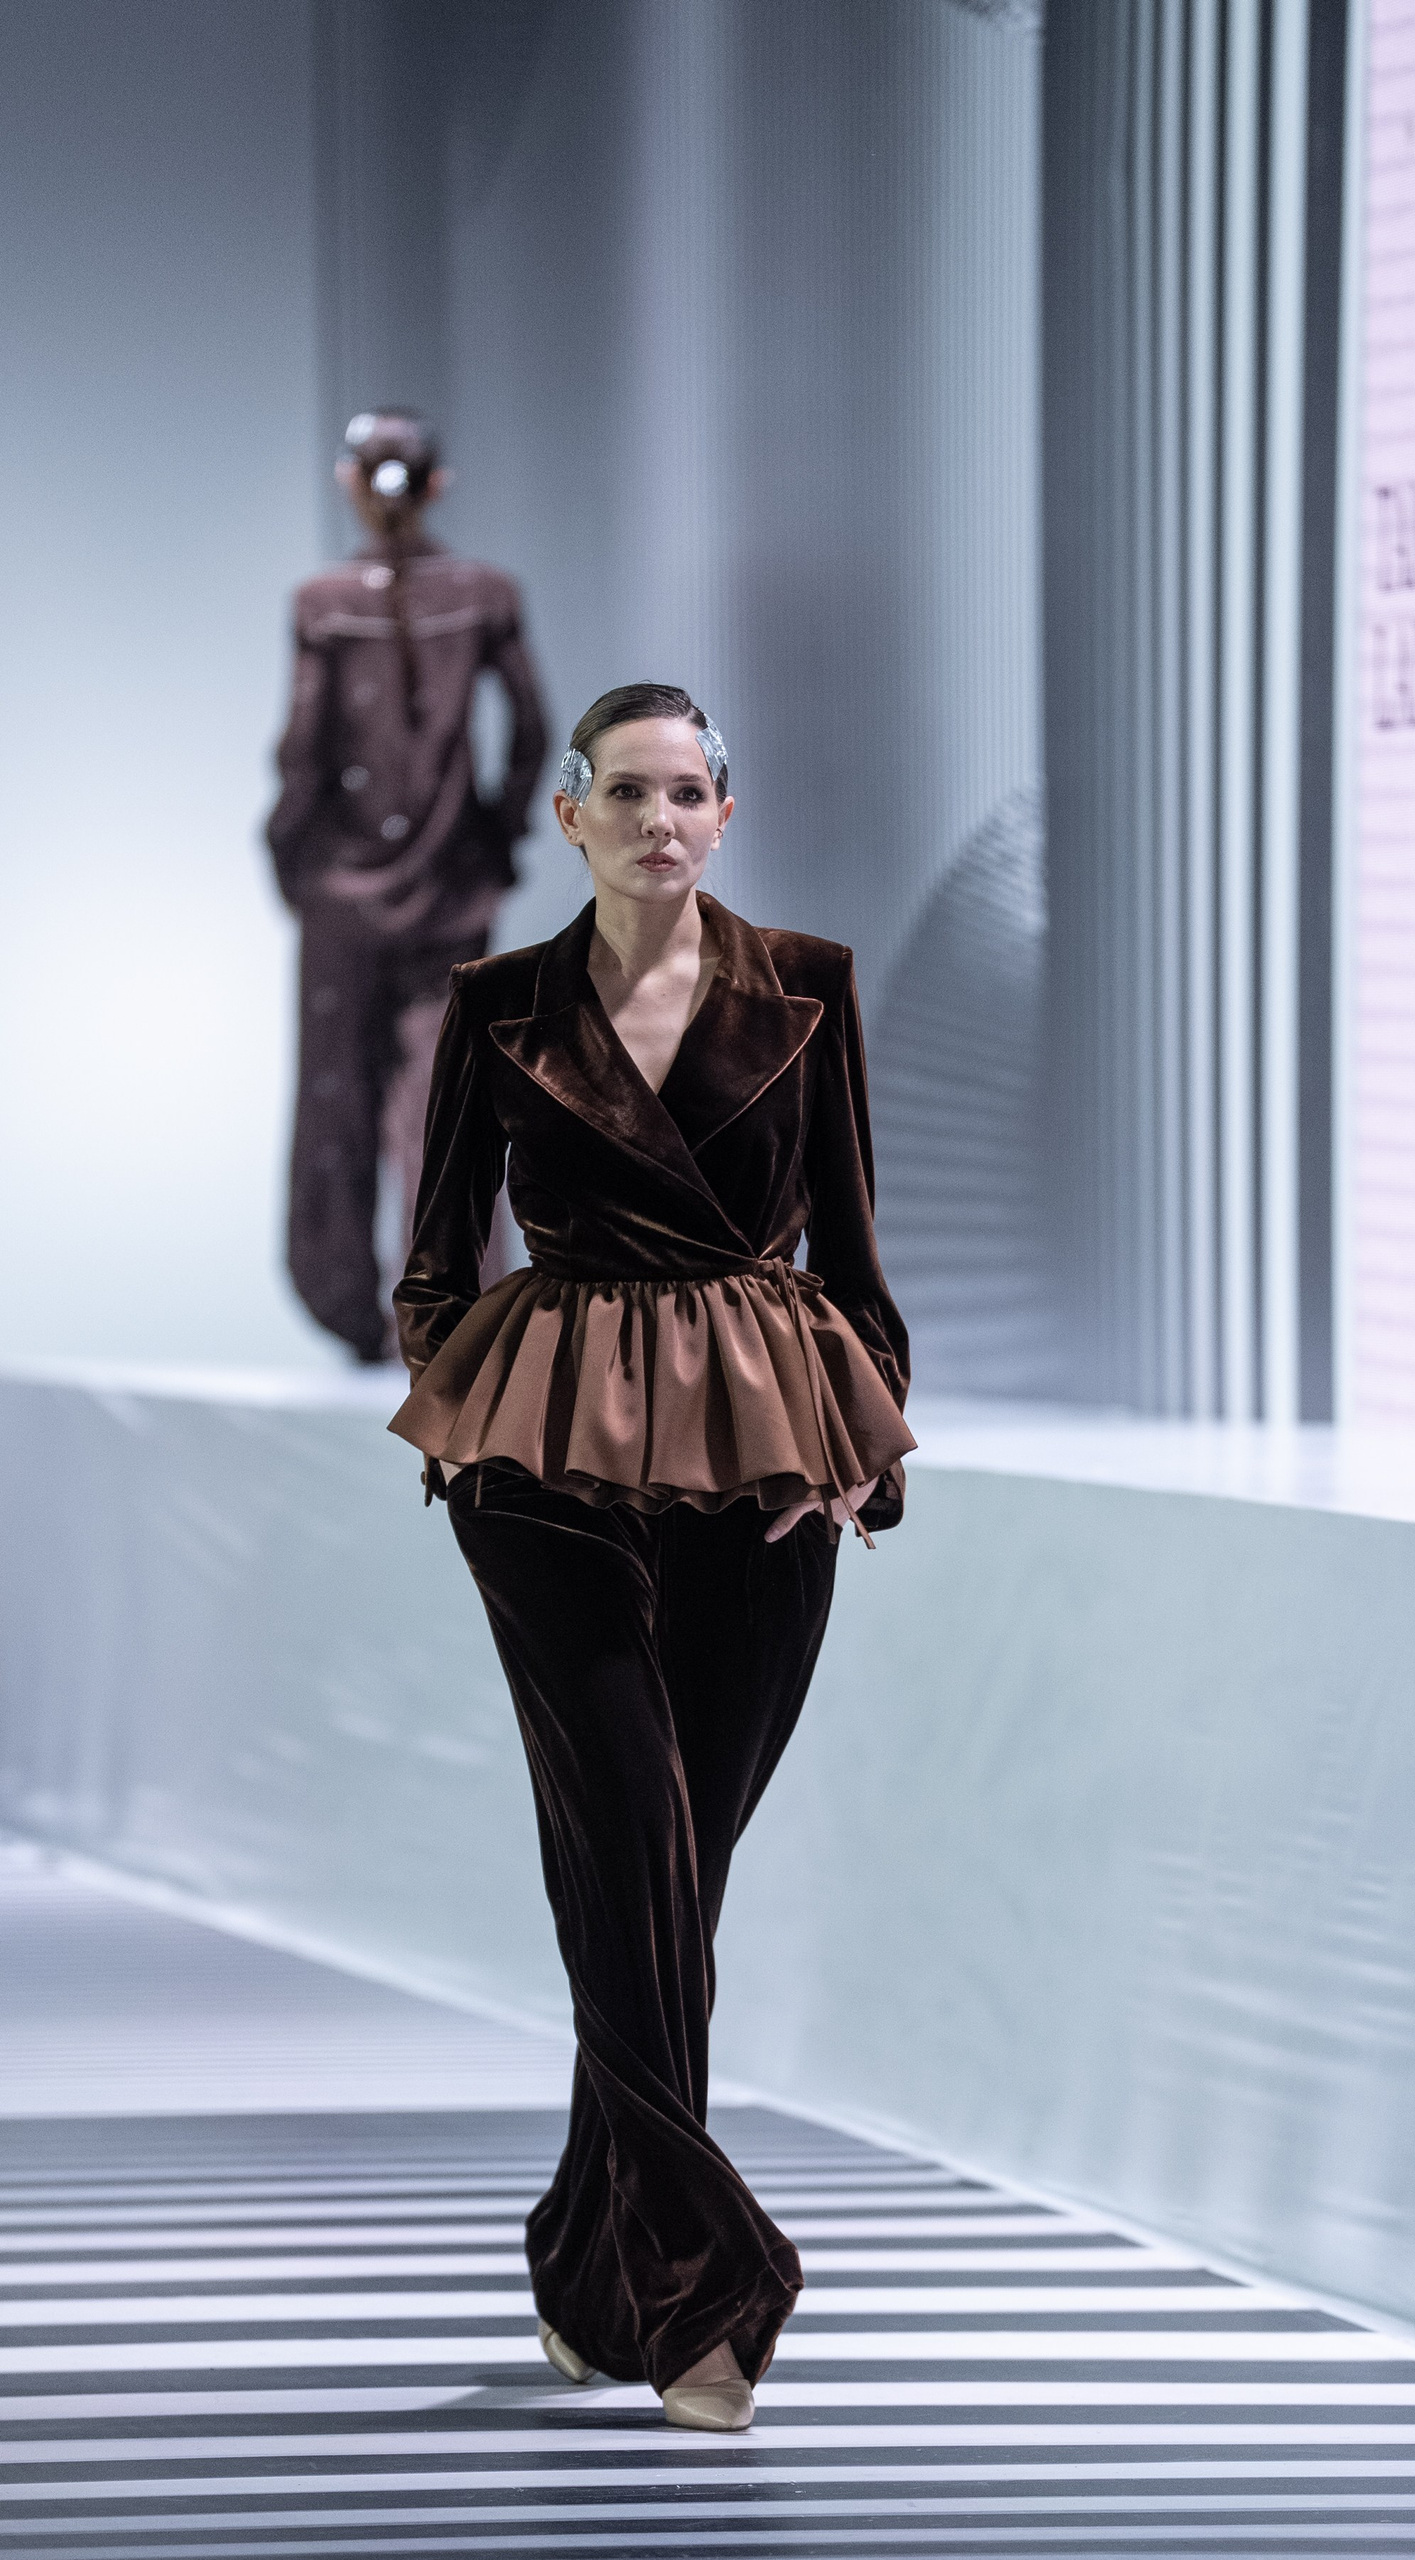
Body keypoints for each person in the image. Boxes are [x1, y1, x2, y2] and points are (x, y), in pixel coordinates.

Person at [388, 682, 914, 2430]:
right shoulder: (500, 1002)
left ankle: (580, 2258)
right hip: (548, 1455)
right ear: (570, 816)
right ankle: (710, 2288)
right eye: (627, 793)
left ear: (725, 812)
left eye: (687, 792)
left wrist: (855, 1452)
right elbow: (437, 1252)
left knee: (669, 1888)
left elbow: (853, 1246)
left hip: (758, 1461)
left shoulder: (810, 986)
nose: (659, 820)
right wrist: (463, 1419)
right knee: (628, 1843)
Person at [267, 408, 549, 1362]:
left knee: (339, 1096)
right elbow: (533, 730)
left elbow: (303, 752)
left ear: (350, 481)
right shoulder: (485, 594)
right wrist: (496, 837)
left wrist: (291, 856)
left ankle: (352, 1310)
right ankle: (451, 1318)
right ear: (438, 483)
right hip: (452, 888)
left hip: (343, 895)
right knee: (448, 1105)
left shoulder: (321, 602)